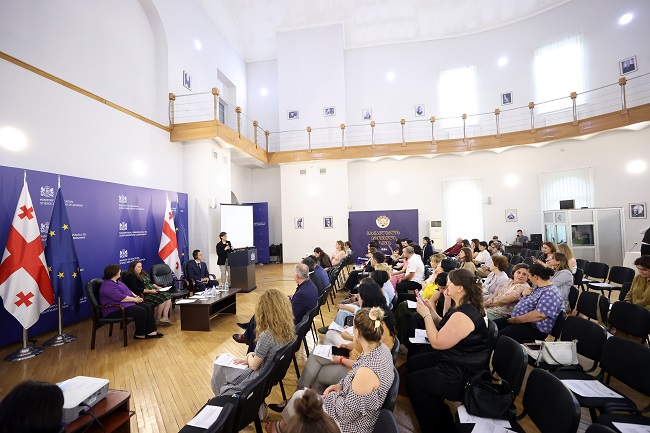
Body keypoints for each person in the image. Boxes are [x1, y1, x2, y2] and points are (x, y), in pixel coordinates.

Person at [271, 281, 396, 412]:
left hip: (352, 367)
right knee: (315, 354)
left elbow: (364, 364)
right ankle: (302, 401)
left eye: (358, 297)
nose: (357, 299)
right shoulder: (376, 323)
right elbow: (366, 354)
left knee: (318, 375)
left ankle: (302, 404)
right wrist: (350, 346)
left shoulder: (377, 332)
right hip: (352, 359)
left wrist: (341, 360)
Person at [268, 307, 394, 433]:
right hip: (351, 410)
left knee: (300, 399)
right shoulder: (380, 349)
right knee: (305, 397)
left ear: (357, 332)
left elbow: (346, 415)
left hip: (351, 426)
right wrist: (339, 386)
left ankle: (280, 428)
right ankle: (287, 426)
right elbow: (357, 370)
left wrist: (332, 397)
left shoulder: (367, 372)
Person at [407, 268, 491, 432]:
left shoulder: (464, 314)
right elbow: (443, 326)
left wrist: (426, 316)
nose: (447, 285)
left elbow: (437, 342)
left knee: (414, 382)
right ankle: (435, 408)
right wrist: (431, 310)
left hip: (462, 371)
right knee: (414, 362)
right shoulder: (462, 306)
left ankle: (438, 426)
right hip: (456, 358)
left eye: (450, 282)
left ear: (460, 288)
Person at [211, 288, 295, 396]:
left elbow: (254, 366)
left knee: (219, 366)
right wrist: (250, 358)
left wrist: (249, 356)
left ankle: (220, 398)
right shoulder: (287, 328)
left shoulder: (267, 335)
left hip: (257, 377)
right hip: (268, 373)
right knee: (223, 362)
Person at [234, 264, 317, 351]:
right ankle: (247, 336)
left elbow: (291, 315)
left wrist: (279, 309)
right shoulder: (310, 286)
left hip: (292, 325)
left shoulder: (302, 294)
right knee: (263, 312)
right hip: (300, 321)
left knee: (261, 318)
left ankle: (251, 348)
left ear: (297, 276)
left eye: (294, 273)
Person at [494, 263, 563, 343]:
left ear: (535, 277)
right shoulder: (537, 287)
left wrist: (516, 320)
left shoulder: (551, 293)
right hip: (521, 321)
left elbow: (539, 315)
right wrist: (523, 294)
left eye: (529, 276)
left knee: (497, 336)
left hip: (534, 328)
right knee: (491, 326)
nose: (528, 278)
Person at [99, 264, 162, 339]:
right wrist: (135, 300)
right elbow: (120, 297)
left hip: (124, 304)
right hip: (113, 309)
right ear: (115, 273)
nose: (120, 271)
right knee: (140, 310)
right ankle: (139, 334)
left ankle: (151, 331)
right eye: (119, 270)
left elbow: (128, 290)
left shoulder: (117, 282)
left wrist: (136, 296)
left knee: (147, 307)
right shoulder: (107, 286)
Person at [122, 259, 173, 325]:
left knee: (168, 296)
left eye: (141, 266)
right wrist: (150, 291)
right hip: (144, 294)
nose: (141, 268)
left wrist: (157, 287)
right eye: (139, 267)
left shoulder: (142, 273)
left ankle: (165, 317)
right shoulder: (130, 276)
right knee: (163, 297)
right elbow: (136, 289)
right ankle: (158, 319)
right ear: (133, 268)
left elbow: (151, 282)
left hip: (152, 290)